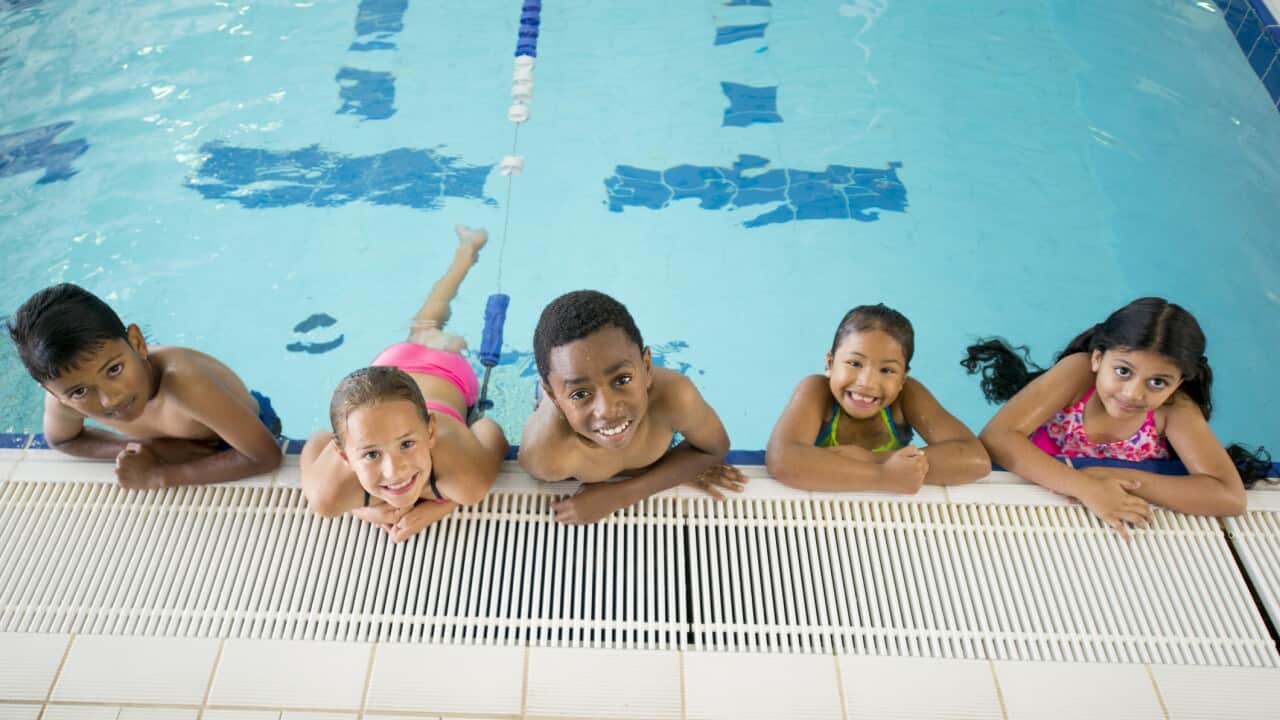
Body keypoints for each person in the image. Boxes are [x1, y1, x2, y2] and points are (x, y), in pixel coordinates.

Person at [962, 297, 1260, 537]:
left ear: (1178, 383)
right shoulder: (1078, 374)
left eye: (1158, 382)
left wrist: (1112, 476)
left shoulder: (1173, 408)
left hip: (1117, 526)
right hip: (1032, 500)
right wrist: (1084, 486)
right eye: (1123, 371)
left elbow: (1229, 496)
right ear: (1097, 358)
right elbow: (996, 437)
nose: (1133, 393)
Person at [300, 225, 507, 542]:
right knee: (426, 322)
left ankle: (466, 253)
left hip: (445, 370)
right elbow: (317, 441)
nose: (394, 471)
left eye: (408, 444)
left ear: (431, 432)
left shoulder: (466, 479)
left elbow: (490, 431)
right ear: (343, 455)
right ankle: (465, 251)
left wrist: (443, 506)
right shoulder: (326, 497)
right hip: (385, 378)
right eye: (370, 454)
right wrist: (363, 510)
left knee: (429, 323)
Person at [7, 283, 283, 487]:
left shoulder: (184, 381)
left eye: (114, 369)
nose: (110, 399)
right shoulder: (63, 397)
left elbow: (266, 455)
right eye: (79, 392)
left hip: (244, 430)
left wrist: (159, 475)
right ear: (55, 394)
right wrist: (142, 447)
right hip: (171, 442)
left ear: (137, 343)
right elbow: (62, 439)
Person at [518, 290, 744, 524]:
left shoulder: (675, 397)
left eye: (622, 379)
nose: (607, 410)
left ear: (647, 366)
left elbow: (714, 448)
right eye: (581, 393)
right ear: (554, 398)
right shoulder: (546, 455)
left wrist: (618, 496)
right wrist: (674, 468)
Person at [767, 304, 990, 492]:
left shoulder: (907, 396)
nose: (867, 383)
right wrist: (883, 474)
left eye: (886, 370)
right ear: (829, 363)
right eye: (854, 363)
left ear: (903, 378)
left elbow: (975, 459)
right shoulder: (817, 391)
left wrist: (875, 461)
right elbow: (782, 459)